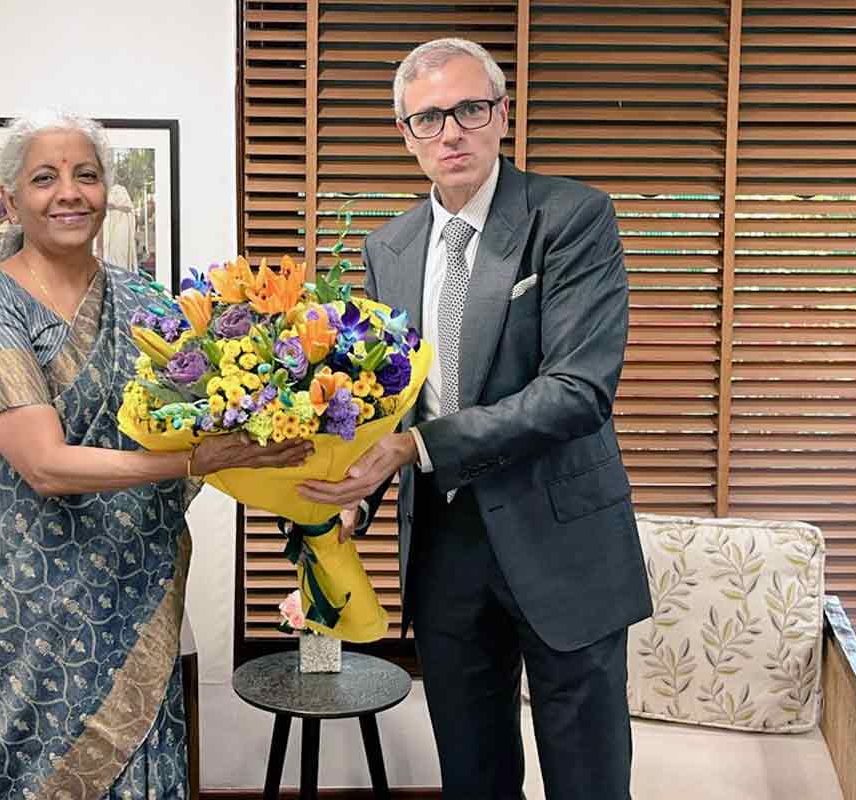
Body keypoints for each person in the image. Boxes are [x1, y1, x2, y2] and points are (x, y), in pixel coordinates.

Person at [298, 38, 652, 799]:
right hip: (443, 549)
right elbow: (377, 400)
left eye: (469, 109)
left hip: (563, 543)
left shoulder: (570, 216)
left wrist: (414, 446)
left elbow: (578, 390)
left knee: (588, 782)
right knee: (473, 778)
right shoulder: (386, 248)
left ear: (501, 114)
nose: (451, 131)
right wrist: (349, 495)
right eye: (428, 117)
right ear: (405, 133)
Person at [0, 109, 312, 800]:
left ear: (109, 190)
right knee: (12, 763)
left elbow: (206, 421)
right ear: (12, 196)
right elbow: (44, 463)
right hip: (19, 591)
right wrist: (191, 464)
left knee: (136, 751)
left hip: (128, 579)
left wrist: (308, 471)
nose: (69, 192)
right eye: (45, 177)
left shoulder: (147, 299)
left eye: (87, 175)